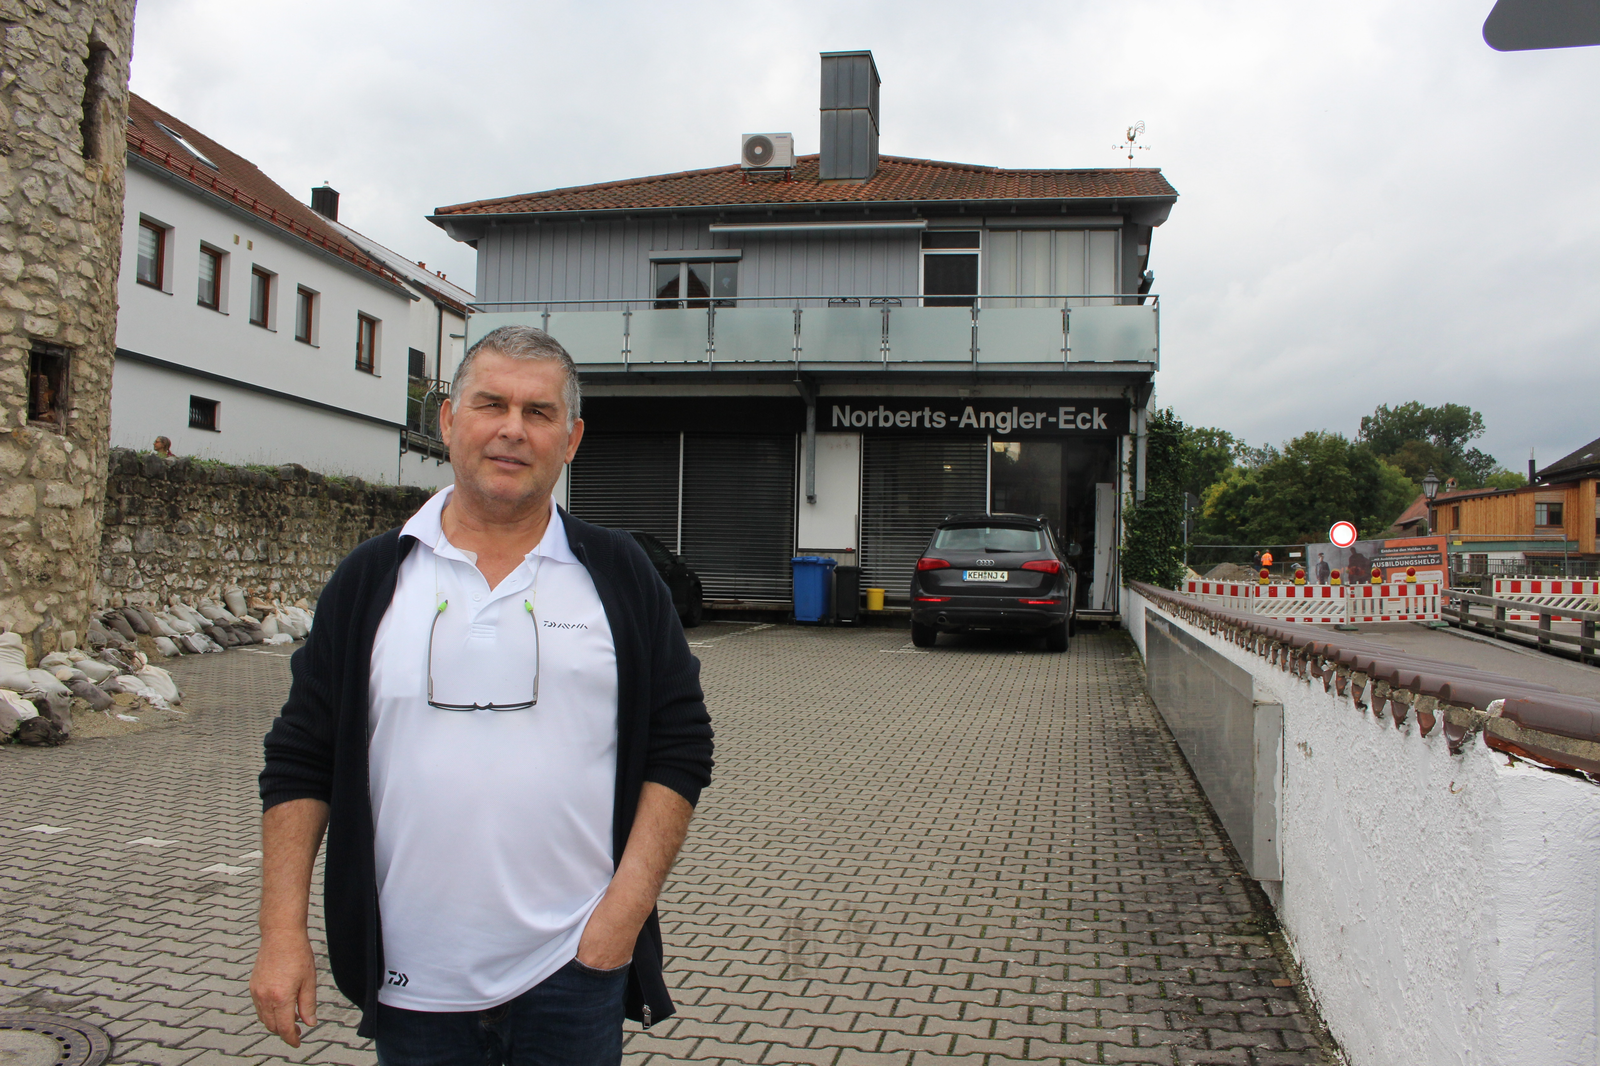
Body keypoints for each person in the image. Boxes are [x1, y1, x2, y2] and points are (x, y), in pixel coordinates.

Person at [252, 325, 714, 1066]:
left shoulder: (621, 573)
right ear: (447, 420)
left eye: (539, 412)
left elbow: (680, 743)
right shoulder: (372, 579)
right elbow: (300, 757)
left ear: (572, 439)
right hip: (412, 983)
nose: (512, 429)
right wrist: (282, 934)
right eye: (491, 404)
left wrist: (620, 920)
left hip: (574, 971)